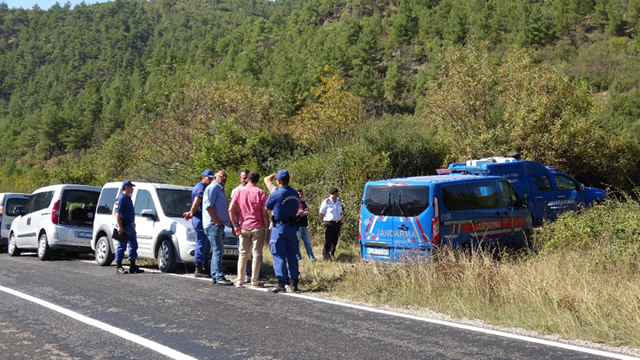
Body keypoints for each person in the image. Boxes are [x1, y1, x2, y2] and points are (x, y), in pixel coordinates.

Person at [229, 171, 269, 288]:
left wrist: (235, 225)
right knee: (257, 254)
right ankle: (254, 280)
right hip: (258, 226)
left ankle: (240, 280)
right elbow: (265, 213)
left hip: (244, 226)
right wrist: (267, 228)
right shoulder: (260, 193)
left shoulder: (239, 192)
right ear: (258, 180)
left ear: (247, 179)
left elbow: (231, 209)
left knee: (242, 254)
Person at [265, 169, 300, 293]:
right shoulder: (295, 193)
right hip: (292, 227)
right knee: (292, 255)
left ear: (278, 181)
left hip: (279, 227)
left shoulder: (277, 193)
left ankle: (281, 282)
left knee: (278, 254)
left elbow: (267, 206)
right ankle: (294, 282)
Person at [202, 170, 233, 286]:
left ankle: (215, 274)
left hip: (218, 225)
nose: (224, 178)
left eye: (225, 176)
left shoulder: (219, 189)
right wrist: (217, 222)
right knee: (218, 250)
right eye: (222, 176)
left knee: (217, 250)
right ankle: (219, 276)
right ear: (215, 177)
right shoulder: (213, 188)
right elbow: (208, 206)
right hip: (213, 225)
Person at [183, 169, 214, 278]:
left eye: (212, 178)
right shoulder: (201, 188)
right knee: (201, 243)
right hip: (199, 218)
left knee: (206, 243)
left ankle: (205, 266)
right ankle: (199, 268)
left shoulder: (205, 187)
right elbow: (195, 204)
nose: (210, 180)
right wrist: (191, 212)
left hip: (204, 218)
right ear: (203, 177)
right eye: (208, 178)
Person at [114, 180, 144, 274]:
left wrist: (133, 222)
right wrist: (119, 226)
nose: (132, 189)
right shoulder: (121, 198)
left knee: (133, 245)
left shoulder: (128, 198)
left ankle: (132, 266)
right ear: (126, 187)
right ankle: (118, 266)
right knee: (122, 246)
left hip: (130, 226)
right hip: (124, 226)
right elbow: (117, 213)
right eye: (131, 187)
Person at [319, 187, 343, 261]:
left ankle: (331, 253)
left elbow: (340, 212)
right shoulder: (326, 202)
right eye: (333, 194)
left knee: (335, 240)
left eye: (336, 194)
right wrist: (325, 220)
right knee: (328, 240)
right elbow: (321, 213)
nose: (335, 196)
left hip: (337, 222)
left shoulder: (339, 202)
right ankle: (325, 255)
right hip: (329, 223)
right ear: (330, 194)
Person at [296, 189, 316, 261]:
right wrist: (302, 213)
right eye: (298, 194)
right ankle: (298, 258)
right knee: (297, 243)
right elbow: (295, 214)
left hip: (304, 225)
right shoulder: (294, 203)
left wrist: (302, 213)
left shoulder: (304, 203)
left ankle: (312, 257)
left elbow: (308, 212)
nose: (300, 195)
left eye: (301, 194)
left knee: (307, 242)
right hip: (297, 225)